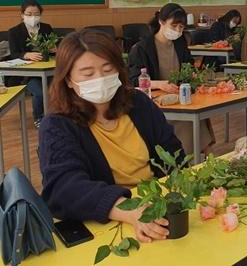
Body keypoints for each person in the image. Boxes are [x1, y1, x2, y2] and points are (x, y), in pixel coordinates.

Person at [38, 29, 183, 242]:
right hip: (111, 222)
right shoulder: (58, 125)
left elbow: (173, 153)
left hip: (158, 208)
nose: (100, 79)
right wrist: (130, 211)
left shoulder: (139, 104)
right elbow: (63, 188)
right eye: (87, 74)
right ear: (68, 79)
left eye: (108, 69)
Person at [128, 3, 215, 154]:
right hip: (156, 102)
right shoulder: (142, 48)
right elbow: (134, 80)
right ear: (161, 22)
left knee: (199, 114)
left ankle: (205, 159)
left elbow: (189, 66)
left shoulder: (180, 43)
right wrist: (161, 84)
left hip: (179, 97)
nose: (177, 31)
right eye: (174, 26)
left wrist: (194, 76)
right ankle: (187, 159)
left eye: (181, 27)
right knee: (189, 121)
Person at [8, 0, 55, 127]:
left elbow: (56, 46)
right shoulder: (14, 32)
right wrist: (26, 55)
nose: (33, 17)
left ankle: (56, 117)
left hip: (48, 69)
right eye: (29, 14)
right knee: (39, 92)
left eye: (36, 14)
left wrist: (54, 48)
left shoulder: (46, 28)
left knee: (58, 89)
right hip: (29, 73)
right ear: (22, 14)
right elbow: (14, 54)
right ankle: (39, 118)